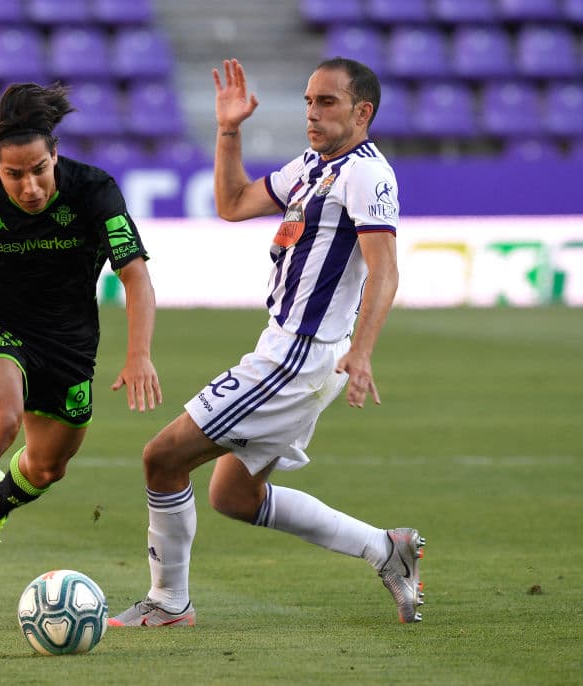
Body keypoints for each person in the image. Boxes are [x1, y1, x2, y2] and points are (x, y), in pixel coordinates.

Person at [109, 57, 424, 628]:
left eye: (326, 102)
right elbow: (232, 204)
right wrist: (228, 130)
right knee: (234, 496)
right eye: (308, 101)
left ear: (362, 112)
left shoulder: (365, 175)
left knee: (162, 457)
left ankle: (169, 602)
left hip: (298, 356)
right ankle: (386, 548)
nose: (312, 113)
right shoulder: (313, 166)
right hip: (288, 348)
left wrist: (362, 351)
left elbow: (385, 270)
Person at [0, 82, 162, 612]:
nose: (31, 185)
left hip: (69, 340)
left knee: (45, 468)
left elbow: (134, 275)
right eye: (15, 174)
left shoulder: (95, 190)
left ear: (54, 155)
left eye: (39, 169)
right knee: (0, 422)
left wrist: (139, 355)